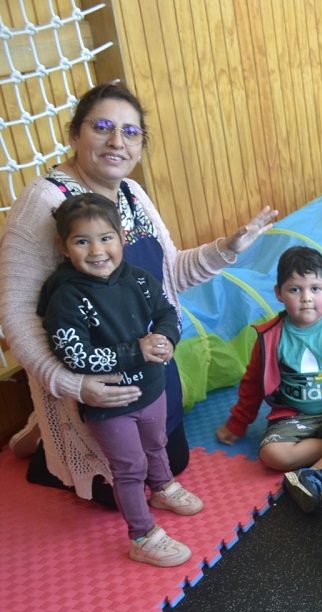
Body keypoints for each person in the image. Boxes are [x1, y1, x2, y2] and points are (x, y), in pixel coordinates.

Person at [0, 81, 277, 505]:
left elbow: (169, 277)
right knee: (114, 495)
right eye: (103, 127)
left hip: (147, 366)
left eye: (131, 132)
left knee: (173, 465)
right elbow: (17, 314)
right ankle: (47, 439)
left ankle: (42, 428)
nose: (117, 142)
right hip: (95, 381)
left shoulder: (132, 193)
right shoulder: (44, 202)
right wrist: (71, 384)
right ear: (74, 134)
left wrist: (226, 249)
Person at [38, 193, 202, 567]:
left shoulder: (139, 279)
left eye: (105, 238)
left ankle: (162, 488)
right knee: (129, 470)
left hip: (152, 389)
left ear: (120, 238)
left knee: (157, 445)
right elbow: (73, 354)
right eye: (83, 241)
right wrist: (136, 351)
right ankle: (142, 536)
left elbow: (167, 312)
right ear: (64, 246)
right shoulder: (67, 296)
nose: (97, 250)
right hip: (110, 406)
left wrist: (166, 339)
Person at [215, 246, 322, 513]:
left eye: (315, 288)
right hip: (296, 417)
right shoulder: (270, 337)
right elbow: (253, 383)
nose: (306, 298)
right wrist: (237, 422)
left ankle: (317, 471)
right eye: (294, 289)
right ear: (279, 293)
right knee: (270, 454)